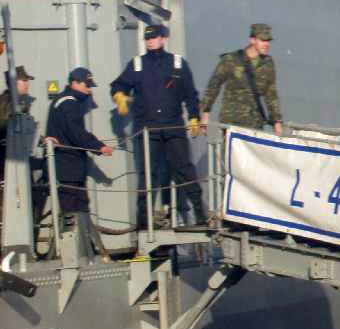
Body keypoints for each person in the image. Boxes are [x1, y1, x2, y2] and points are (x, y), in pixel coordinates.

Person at [111, 24, 205, 226]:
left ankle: (200, 214)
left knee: (184, 169)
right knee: (147, 174)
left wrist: (194, 117)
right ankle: (143, 223)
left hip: (173, 127)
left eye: (154, 37)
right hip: (148, 129)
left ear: (163, 38)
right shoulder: (137, 64)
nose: (150, 41)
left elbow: (191, 95)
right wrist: (119, 96)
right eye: (148, 38)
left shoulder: (178, 64)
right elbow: (118, 85)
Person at [44, 67, 113, 233]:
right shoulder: (68, 103)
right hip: (67, 167)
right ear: (75, 83)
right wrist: (99, 146)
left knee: (80, 209)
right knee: (73, 212)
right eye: (87, 85)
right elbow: (76, 132)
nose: (89, 89)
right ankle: (74, 251)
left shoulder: (64, 101)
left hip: (71, 168)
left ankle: (85, 247)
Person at [200, 23, 283, 135]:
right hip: (232, 122)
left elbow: (271, 94)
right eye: (263, 40)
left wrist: (277, 122)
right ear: (252, 40)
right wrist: (205, 113)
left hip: (255, 124)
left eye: (268, 41)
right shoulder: (231, 60)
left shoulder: (268, 63)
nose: (266, 44)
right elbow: (214, 85)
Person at [0, 65, 33, 168]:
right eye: (24, 80)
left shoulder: (19, 101)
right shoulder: (8, 103)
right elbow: (6, 127)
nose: (27, 83)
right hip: (7, 158)